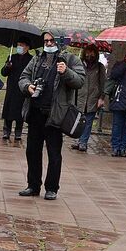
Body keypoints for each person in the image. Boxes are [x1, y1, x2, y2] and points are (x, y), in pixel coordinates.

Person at [17, 32, 85, 200]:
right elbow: (23, 77)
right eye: (46, 40)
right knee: (32, 151)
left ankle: (52, 188)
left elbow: (79, 81)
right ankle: (33, 185)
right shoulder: (37, 58)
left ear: (59, 41)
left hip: (55, 115)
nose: (48, 43)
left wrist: (66, 72)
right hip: (35, 112)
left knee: (54, 154)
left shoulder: (70, 59)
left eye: (51, 40)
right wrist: (28, 86)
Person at [70, 44, 106, 152]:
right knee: (78, 120)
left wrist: (101, 97)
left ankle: (83, 142)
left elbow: (103, 83)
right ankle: (78, 140)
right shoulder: (79, 64)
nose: (89, 54)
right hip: (80, 97)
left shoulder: (99, 67)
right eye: (88, 52)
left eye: (92, 52)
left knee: (88, 121)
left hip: (92, 98)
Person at [0, 40, 32, 142]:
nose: (19, 47)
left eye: (21, 45)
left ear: (27, 47)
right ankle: (6, 130)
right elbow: (3, 73)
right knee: (9, 110)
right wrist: (7, 67)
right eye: (18, 45)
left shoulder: (31, 59)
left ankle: (18, 132)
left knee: (20, 111)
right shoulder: (12, 57)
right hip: (12, 87)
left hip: (23, 89)